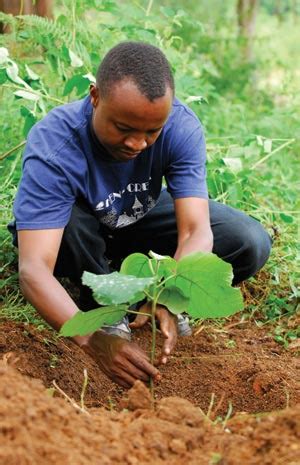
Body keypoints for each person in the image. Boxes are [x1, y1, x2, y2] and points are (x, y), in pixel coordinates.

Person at [9, 41, 271, 388]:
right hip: (75, 232)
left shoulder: (180, 126)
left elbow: (196, 231)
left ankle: (142, 293)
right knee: (70, 223)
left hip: (132, 219)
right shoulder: (56, 143)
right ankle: (100, 304)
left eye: (151, 132)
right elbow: (33, 270)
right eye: (123, 128)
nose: (137, 144)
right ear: (95, 97)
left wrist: (169, 293)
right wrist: (91, 339)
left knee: (249, 241)